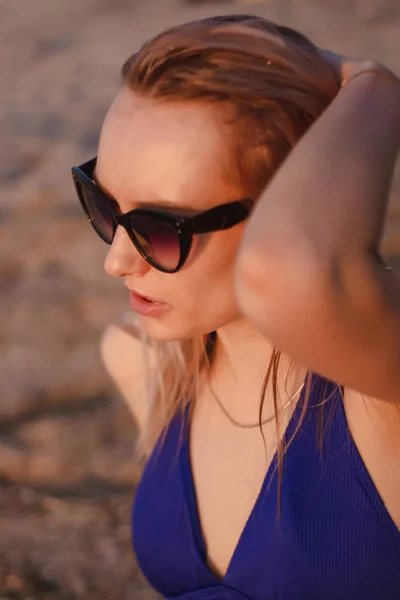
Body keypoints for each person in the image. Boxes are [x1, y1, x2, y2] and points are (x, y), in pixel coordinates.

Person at [71, 14, 400, 599]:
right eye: (103, 203)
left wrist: (376, 84)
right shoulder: (144, 362)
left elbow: (291, 273)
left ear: (286, 213)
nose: (117, 261)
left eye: (160, 228)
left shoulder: (380, 392)